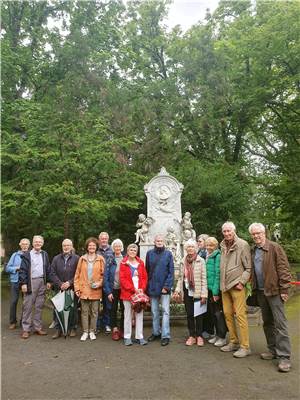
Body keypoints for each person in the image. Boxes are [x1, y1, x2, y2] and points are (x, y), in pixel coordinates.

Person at [249, 223, 292, 372]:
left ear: (264, 233)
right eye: (253, 234)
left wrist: (284, 289)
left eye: (258, 233)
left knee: (280, 324)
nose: (256, 236)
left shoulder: (274, 247)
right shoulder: (253, 250)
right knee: (267, 322)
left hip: (275, 291)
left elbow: (284, 269)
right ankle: (273, 350)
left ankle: (284, 356)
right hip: (261, 291)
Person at [220, 222, 252, 357]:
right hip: (224, 286)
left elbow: (249, 268)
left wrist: (242, 282)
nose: (227, 233)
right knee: (227, 314)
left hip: (237, 285)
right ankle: (233, 342)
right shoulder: (222, 245)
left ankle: (245, 347)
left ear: (234, 231)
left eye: (229, 231)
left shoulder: (242, 245)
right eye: (224, 231)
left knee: (240, 315)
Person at [173, 239, 207, 346]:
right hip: (187, 291)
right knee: (190, 314)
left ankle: (199, 336)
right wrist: (177, 290)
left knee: (199, 315)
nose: (190, 249)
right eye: (188, 247)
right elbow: (180, 278)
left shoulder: (201, 260)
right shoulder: (183, 261)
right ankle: (192, 335)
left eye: (192, 247)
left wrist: (204, 294)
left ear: (195, 248)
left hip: (198, 290)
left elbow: (204, 278)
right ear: (186, 249)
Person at [19, 235, 51, 339]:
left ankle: (38, 327)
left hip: (42, 281)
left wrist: (49, 281)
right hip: (30, 282)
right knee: (27, 306)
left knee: (39, 306)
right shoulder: (27, 255)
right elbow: (23, 270)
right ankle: (26, 329)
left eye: (40, 242)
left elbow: (48, 269)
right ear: (32, 243)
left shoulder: (44, 254)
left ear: (42, 243)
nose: (38, 243)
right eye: (36, 242)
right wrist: (23, 283)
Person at [146, 234, 174, 346]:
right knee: (154, 312)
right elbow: (147, 271)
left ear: (164, 242)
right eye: (157, 240)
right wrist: (147, 287)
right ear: (154, 241)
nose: (159, 242)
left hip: (164, 288)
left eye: (161, 240)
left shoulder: (168, 254)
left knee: (166, 312)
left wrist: (166, 287)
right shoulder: (149, 254)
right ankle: (156, 332)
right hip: (153, 287)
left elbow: (171, 272)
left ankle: (165, 335)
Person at [74, 237, 104, 341]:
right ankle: (85, 332)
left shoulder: (100, 259)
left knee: (95, 312)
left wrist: (100, 283)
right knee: (84, 312)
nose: (91, 247)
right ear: (87, 247)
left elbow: (104, 275)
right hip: (84, 289)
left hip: (95, 290)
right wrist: (77, 288)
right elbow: (77, 275)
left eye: (93, 246)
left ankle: (92, 331)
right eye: (90, 246)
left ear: (96, 247)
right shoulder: (82, 259)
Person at [50, 239, 80, 339]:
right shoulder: (56, 258)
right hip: (59, 288)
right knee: (58, 308)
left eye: (68, 245)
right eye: (64, 245)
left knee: (73, 308)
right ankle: (58, 329)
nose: (66, 247)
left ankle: (72, 328)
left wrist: (69, 282)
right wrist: (60, 283)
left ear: (71, 246)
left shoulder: (77, 258)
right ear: (62, 247)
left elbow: (78, 273)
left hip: (71, 288)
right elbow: (52, 273)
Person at [120, 244, 148, 346]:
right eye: (131, 249)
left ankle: (139, 337)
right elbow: (123, 280)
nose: (132, 251)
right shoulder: (123, 263)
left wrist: (142, 288)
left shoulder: (140, 263)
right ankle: (127, 337)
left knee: (139, 314)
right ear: (127, 251)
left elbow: (144, 277)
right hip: (128, 293)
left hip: (139, 294)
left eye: (134, 250)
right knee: (128, 315)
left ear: (137, 252)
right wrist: (133, 289)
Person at [205, 237, 227, 347]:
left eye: (211, 245)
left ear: (215, 246)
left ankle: (222, 336)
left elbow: (218, 274)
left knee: (219, 314)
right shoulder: (208, 255)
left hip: (215, 290)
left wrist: (215, 292)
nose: (209, 247)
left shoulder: (218, 256)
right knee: (213, 313)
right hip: (209, 289)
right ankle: (217, 335)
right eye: (207, 245)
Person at [6, 238, 31, 329]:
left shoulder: (30, 255)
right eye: (23, 244)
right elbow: (7, 268)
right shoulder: (15, 255)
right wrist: (16, 268)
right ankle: (12, 322)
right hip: (15, 281)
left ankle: (23, 322)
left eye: (26, 244)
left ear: (29, 245)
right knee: (13, 301)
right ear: (20, 245)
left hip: (26, 282)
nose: (24, 245)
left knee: (26, 303)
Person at [104, 238, 125, 341]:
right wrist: (108, 292)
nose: (117, 248)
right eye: (115, 246)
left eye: (119, 246)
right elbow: (106, 277)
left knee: (124, 309)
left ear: (122, 247)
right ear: (113, 248)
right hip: (113, 289)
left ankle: (122, 330)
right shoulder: (110, 259)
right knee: (113, 310)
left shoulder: (126, 259)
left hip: (124, 289)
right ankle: (115, 330)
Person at [97, 231, 115, 334]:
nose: (103, 240)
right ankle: (98, 325)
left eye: (105, 238)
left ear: (108, 239)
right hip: (97, 282)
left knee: (108, 304)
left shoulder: (112, 250)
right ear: (99, 239)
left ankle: (107, 324)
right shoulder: (96, 250)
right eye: (102, 238)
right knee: (97, 305)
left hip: (108, 282)